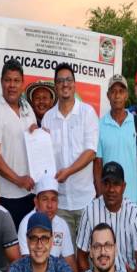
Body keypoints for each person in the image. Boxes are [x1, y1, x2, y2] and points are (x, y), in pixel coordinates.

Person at [41, 63, 99, 240]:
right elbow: (42, 157)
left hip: (85, 201)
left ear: (74, 84)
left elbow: (91, 152)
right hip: (60, 204)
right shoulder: (47, 118)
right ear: (55, 86)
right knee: (64, 257)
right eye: (60, 81)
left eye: (68, 80)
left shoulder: (87, 112)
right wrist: (34, 137)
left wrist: (68, 171)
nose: (65, 84)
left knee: (89, 256)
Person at [0, 59, 37, 227]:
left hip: (30, 192)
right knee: (9, 249)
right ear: (1, 82)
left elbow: (35, 143)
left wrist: (41, 135)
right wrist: (18, 180)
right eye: (8, 80)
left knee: (27, 246)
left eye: (16, 80)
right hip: (8, 196)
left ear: (23, 83)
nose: (12, 85)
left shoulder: (28, 109)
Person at [94, 73, 137, 210]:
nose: (117, 96)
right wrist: (100, 196)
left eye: (121, 91)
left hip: (132, 201)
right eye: (113, 91)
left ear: (126, 95)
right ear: (108, 95)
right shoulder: (100, 125)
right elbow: (98, 164)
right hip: (108, 201)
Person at [18, 175, 77, 272]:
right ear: (36, 202)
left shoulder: (62, 224)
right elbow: (28, 265)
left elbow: (70, 261)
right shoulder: (26, 224)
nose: (50, 205)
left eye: (53, 200)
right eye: (45, 199)